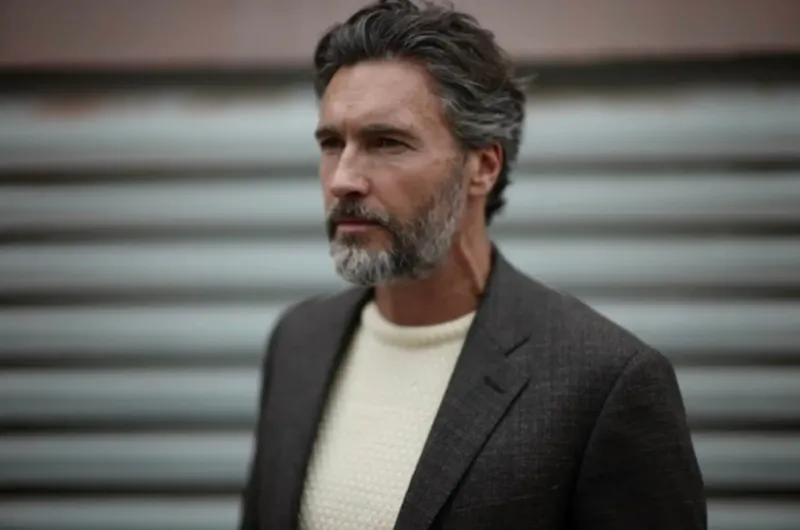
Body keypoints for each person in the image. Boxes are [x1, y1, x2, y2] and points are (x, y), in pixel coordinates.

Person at [239, 1, 707, 528]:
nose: (342, 178)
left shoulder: (604, 382)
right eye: (331, 143)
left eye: (386, 142)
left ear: (482, 165)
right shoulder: (299, 341)